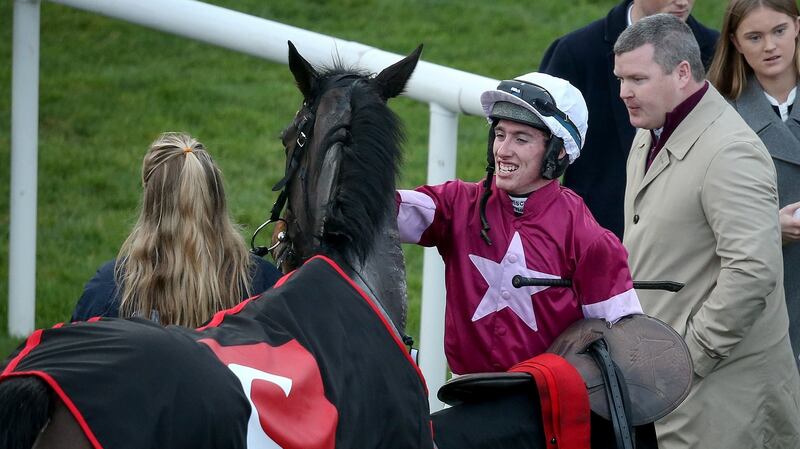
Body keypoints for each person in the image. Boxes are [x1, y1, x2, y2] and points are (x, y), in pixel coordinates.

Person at [614, 13, 800, 448]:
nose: (624, 92)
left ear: (682, 74)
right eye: (621, 78)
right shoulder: (651, 129)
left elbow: (752, 273)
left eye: (637, 79)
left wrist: (688, 358)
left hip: (722, 402)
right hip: (666, 387)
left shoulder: (731, 151)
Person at [397, 72, 643, 375]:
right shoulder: (459, 204)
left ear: (559, 151)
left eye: (521, 139)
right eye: (500, 134)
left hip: (547, 411)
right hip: (466, 397)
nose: (503, 150)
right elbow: (385, 212)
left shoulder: (589, 240)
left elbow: (627, 352)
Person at [539, 0, 719, 240]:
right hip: (594, 243)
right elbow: (539, 157)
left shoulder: (718, 51)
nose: (683, 1)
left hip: (693, 249)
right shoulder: (575, 53)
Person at [72, 132, 282, 327]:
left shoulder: (108, 290)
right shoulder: (264, 287)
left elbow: (73, 360)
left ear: (150, 203)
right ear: (216, 200)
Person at [707, 0, 800, 369]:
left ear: (797, 26)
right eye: (755, 37)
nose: (770, 46)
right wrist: (768, 229)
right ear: (736, 42)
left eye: (779, 31)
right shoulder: (716, 115)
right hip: (763, 296)